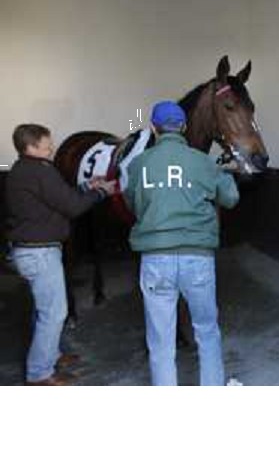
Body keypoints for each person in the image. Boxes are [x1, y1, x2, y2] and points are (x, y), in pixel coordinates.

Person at [123, 101, 239, 386]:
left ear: (153, 128)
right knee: (207, 332)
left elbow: (133, 204)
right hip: (197, 258)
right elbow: (231, 198)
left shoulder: (139, 164)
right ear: (184, 127)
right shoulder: (203, 162)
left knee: (160, 339)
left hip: (155, 259)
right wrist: (223, 172)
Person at [5, 123, 116, 386]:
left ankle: (50, 354)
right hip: (40, 254)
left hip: (30, 252)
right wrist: (101, 192)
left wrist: (86, 186)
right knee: (54, 313)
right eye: (46, 144)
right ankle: (40, 373)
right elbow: (73, 207)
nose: (52, 147)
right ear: (31, 147)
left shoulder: (24, 170)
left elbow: (58, 198)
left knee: (43, 310)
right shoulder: (41, 172)